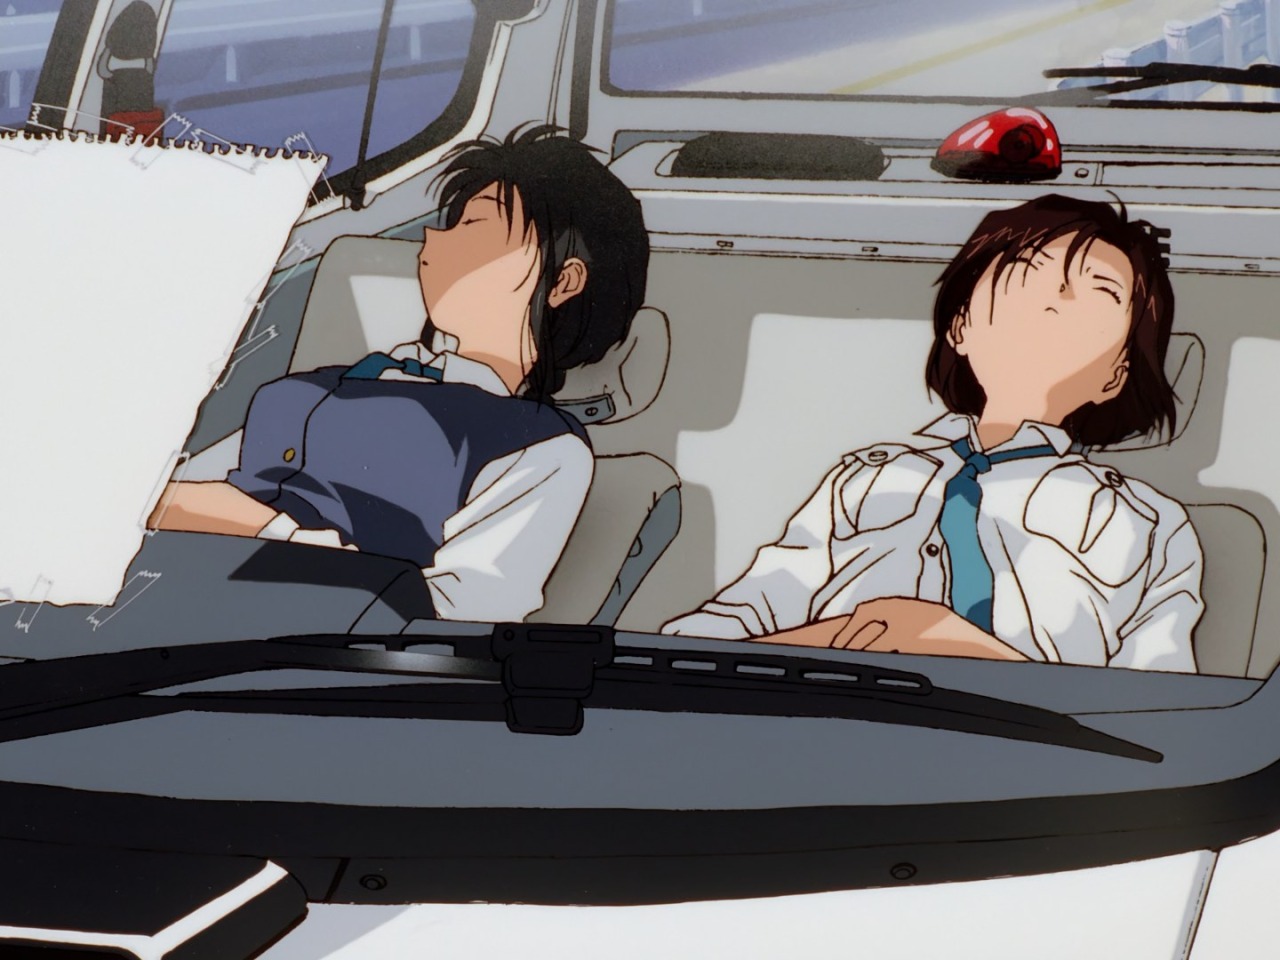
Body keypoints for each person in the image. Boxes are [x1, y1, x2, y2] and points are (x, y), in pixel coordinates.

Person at [663, 194, 1203, 672]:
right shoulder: (863, 478)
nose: (1053, 302)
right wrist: (842, 645)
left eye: (1099, 293)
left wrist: (964, 651)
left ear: (1115, 376)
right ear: (961, 325)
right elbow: (719, 629)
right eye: (1027, 271)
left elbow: (1163, 706)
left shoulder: (1147, 524)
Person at [151, 125, 650, 622]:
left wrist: (275, 535)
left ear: (563, 280)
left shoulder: (538, 444)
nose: (431, 240)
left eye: (475, 226)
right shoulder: (317, 386)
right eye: (450, 224)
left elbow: (460, 613)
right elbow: (155, 501)